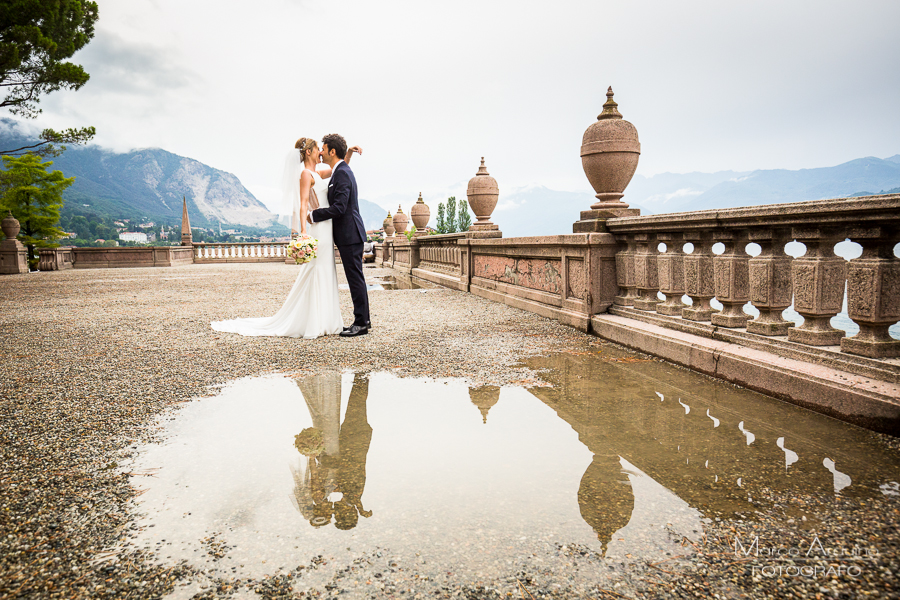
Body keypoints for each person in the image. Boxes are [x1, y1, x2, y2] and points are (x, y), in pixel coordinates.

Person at [209, 136, 358, 339]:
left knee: (326, 270)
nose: (320, 152)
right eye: (318, 149)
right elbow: (303, 203)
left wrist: (348, 153)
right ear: (309, 152)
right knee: (316, 270)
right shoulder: (305, 174)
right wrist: (303, 231)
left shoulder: (318, 172)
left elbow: (339, 170)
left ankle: (327, 319)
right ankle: (313, 321)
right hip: (317, 229)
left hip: (326, 227)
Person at [309, 133, 371, 337]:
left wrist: (314, 215)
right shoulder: (340, 170)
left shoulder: (342, 173)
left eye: (323, 149)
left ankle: (361, 323)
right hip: (347, 235)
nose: (321, 152)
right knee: (355, 278)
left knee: (355, 279)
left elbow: (339, 208)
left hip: (350, 234)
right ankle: (361, 320)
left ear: (332, 151)